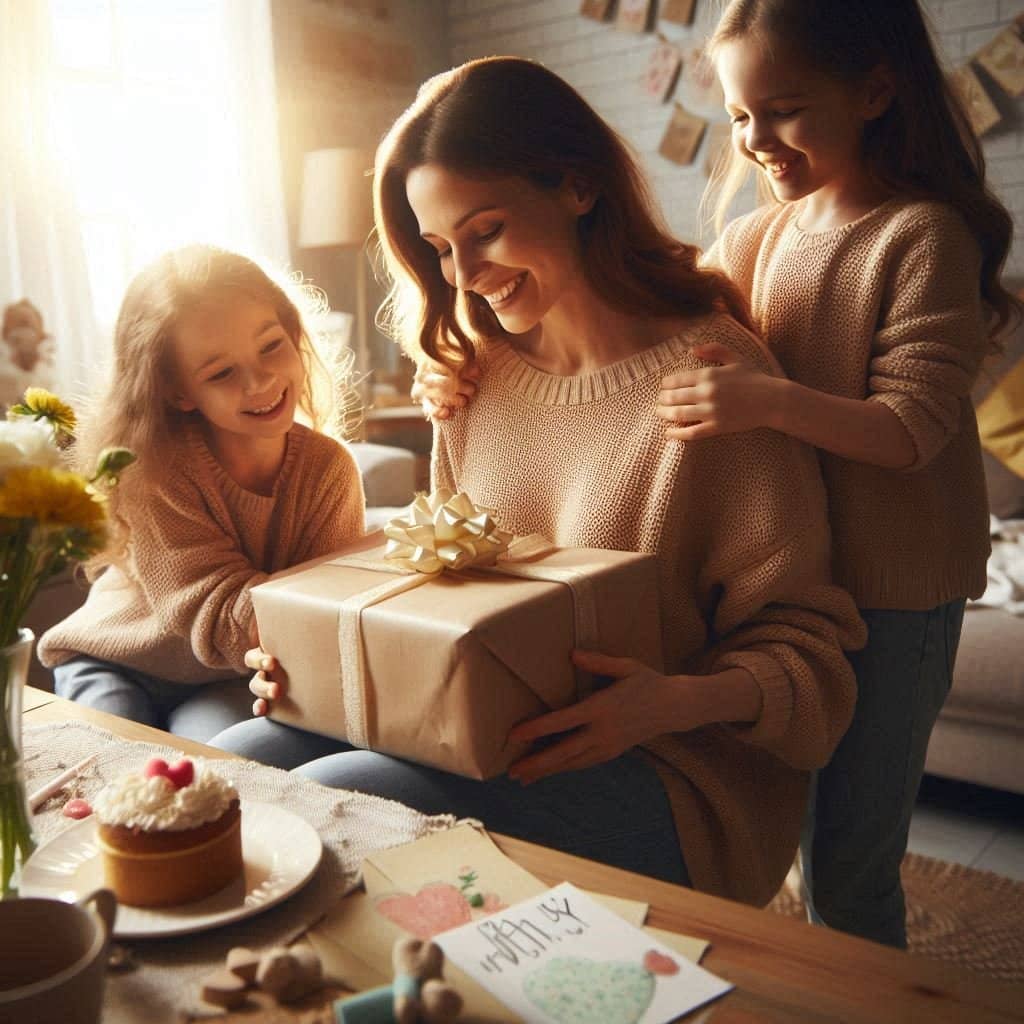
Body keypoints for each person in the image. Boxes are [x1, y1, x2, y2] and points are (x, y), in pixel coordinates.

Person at [213, 57, 866, 906]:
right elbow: (446, 594)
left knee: (350, 800)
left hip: (676, 775)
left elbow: (813, 662)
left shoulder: (714, 379)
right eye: (441, 248)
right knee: (235, 766)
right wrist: (319, 667)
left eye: (485, 230)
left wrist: (660, 704)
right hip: (487, 738)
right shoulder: (472, 382)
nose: (462, 275)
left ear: (577, 187)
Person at [654, 0, 1020, 948]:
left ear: (874, 91)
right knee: (774, 832)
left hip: (898, 599)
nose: (756, 140)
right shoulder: (751, 239)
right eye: (739, 117)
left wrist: (768, 401)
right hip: (788, 590)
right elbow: (651, 341)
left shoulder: (924, 236)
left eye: (782, 109)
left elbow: (912, 430)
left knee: (851, 864)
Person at [38, 245, 366, 742]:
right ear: (177, 392)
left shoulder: (329, 469)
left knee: (217, 769)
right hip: (119, 660)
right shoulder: (152, 470)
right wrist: (305, 620)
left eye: (271, 346)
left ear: (295, 336)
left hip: (227, 675)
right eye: (221, 373)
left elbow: (326, 605)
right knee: (114, 762)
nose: (260, 381)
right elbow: (214, 610)